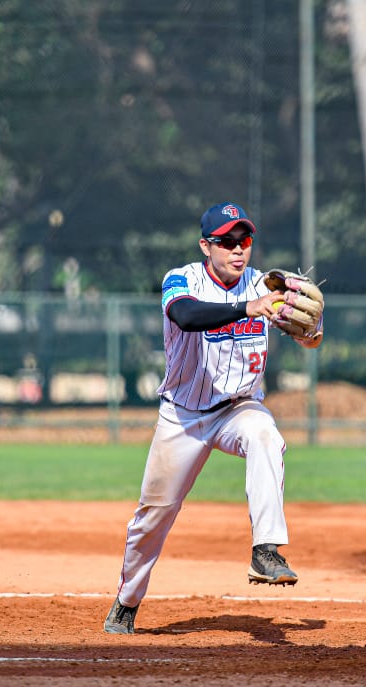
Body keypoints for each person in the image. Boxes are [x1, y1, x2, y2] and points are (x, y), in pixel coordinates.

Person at [103, 202, 323, 634]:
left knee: (265, 435)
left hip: (238, 408)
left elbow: (309, 339)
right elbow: (186, 316)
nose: (238, 249)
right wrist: (249, 308)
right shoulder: (182, 279)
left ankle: (266, 550)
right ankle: (127, 602)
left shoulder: (266, 285)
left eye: (245, 240)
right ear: (206, 245)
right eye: (226, 241)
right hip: (183, 416)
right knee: (153, 517)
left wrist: (311, 331)